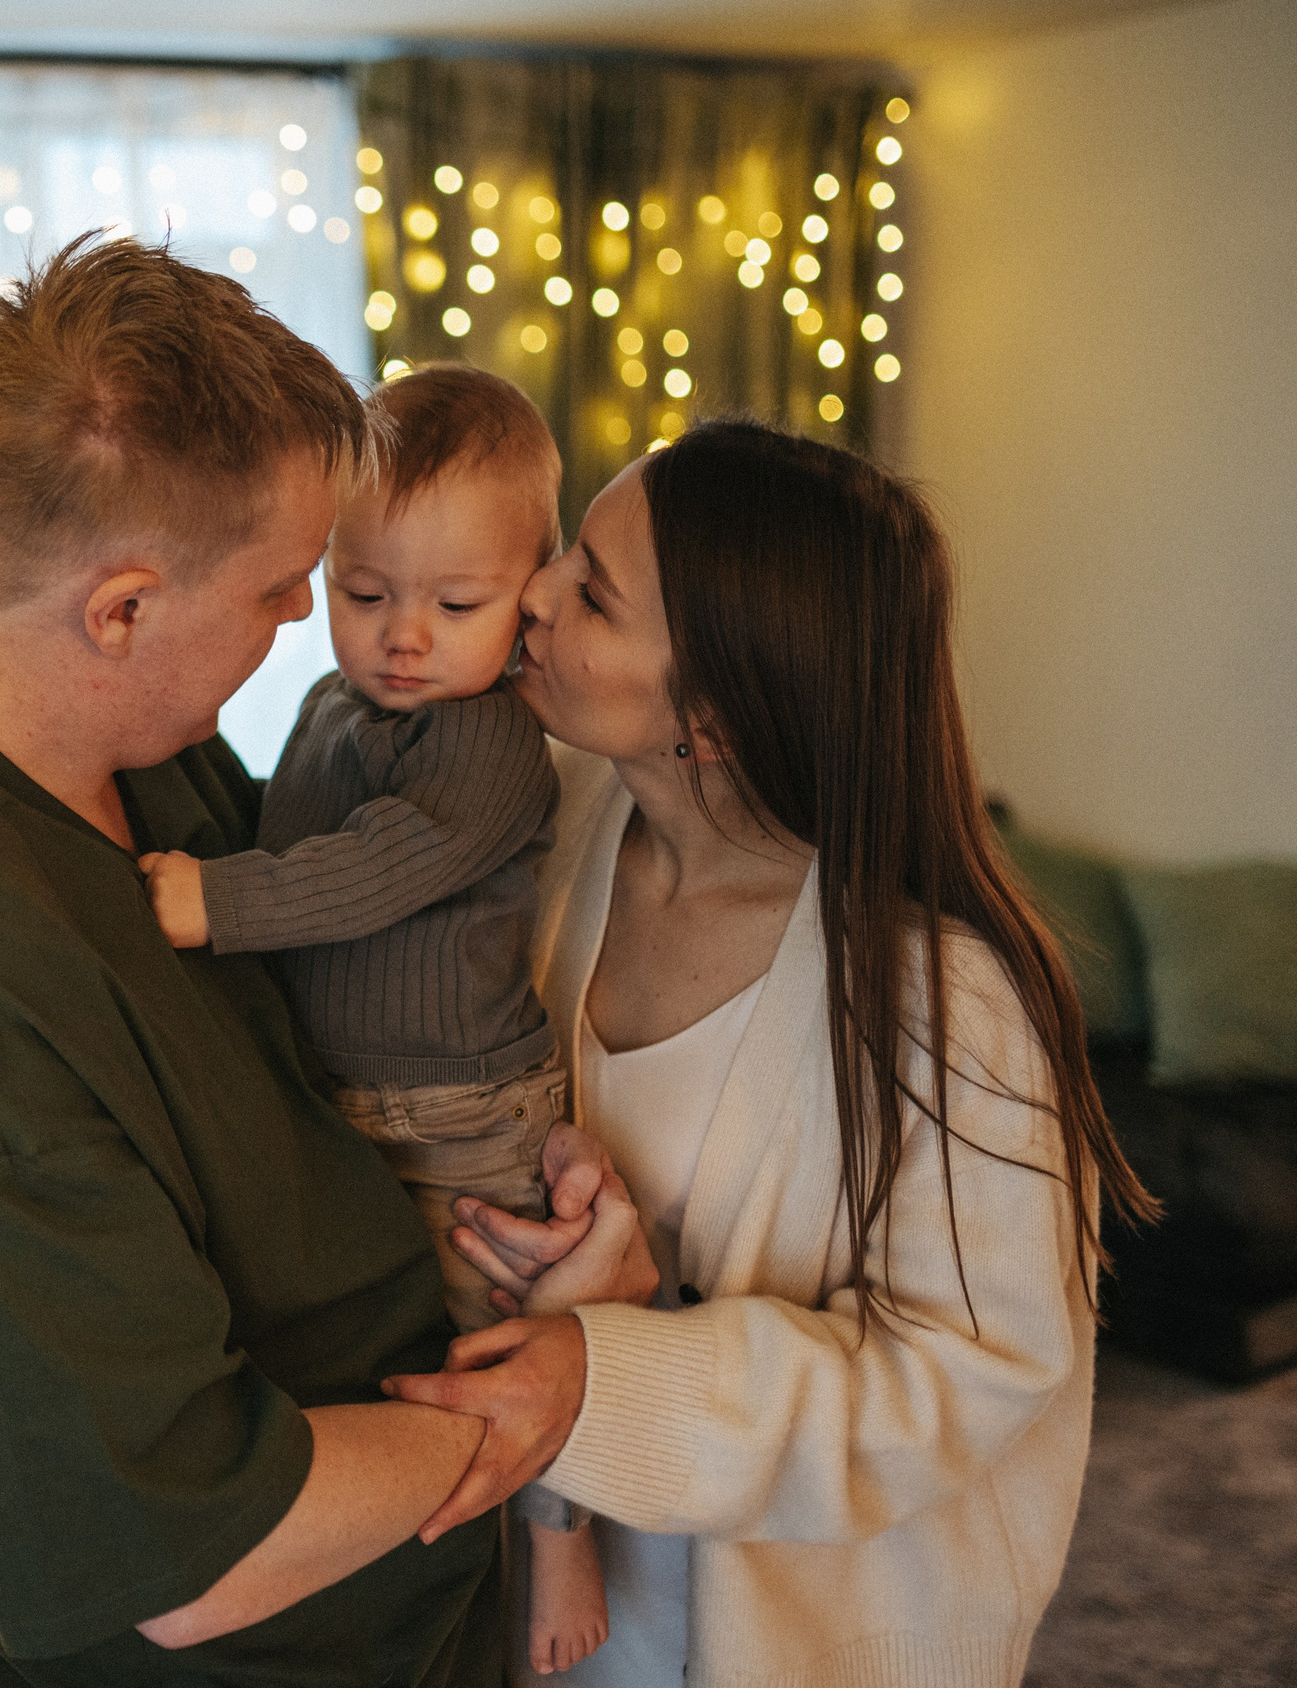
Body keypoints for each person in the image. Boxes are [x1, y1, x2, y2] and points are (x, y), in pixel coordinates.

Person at [0, 235, 610, 1685]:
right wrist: (550, 1394)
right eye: (282, 587)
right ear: (123, 607)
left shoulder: (117, 740)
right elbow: (198, 1552)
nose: (302, 623)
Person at [383, 420, 1158, 1687]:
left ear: (716, 712)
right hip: (538, 1600)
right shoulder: (541, 831)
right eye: (566, 553)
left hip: (787, 1638)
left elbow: (965, 1373)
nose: (532, 591)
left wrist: (607, 1364)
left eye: (592, 592)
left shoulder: (943, 1004)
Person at [138, 362, 609, 1677]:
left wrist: (215, 900)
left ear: (528, 594)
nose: (404, 635)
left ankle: (563, 1528)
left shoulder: (491, 744)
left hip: (465, 1117)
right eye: (363, 592)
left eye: (455, 605)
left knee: (498, 1339)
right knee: (370, 1353)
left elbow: (375, 869)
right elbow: (289, 827)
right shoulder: (329, 708)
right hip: (343, 1100)